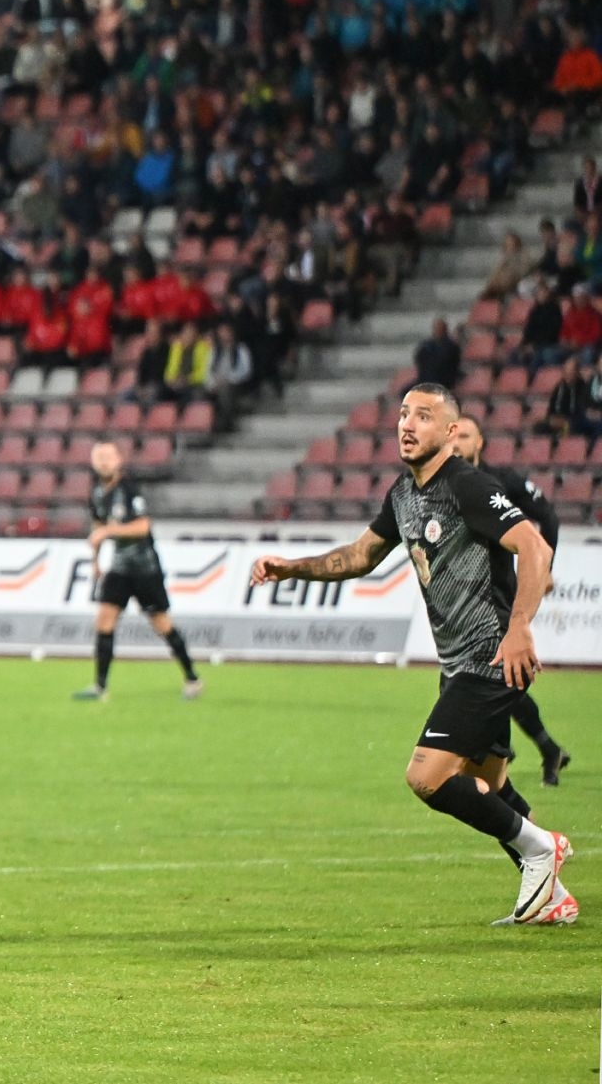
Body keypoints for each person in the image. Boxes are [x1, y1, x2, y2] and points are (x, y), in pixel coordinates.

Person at [249, 384, 572, 926]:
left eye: (424, 416)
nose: (408, 424)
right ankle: (553, 896)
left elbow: (534, 547)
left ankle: (542, 848)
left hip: (490, 656)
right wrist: (292, 567)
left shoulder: (468, 485)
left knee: (427, 776)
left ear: (451, 431)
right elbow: (360, 556)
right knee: (490, 784)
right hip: (458, 664)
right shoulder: (403, 493)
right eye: (403, 414)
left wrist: (519, 628)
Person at [453, 414, 573, 788]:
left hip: (500, 594)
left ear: (480, 443)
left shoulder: (502, 481)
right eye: (453, 434)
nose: (457, 442)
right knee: (494, 674)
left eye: (466, 435)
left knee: (497, 671)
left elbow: (547, 516)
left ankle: (498, 747)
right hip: (462, 597)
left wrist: (546, 567)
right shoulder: (444, 484)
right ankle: (530, 747)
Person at [73, 441, 202, 702]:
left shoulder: (129, 489)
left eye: (109, 456)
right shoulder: (96, 492)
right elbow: (98, 527)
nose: (104, 461)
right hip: (119, 568)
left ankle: (192, 678)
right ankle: (100, 687)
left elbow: (142, 527)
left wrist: (108, 531)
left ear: (119, 460)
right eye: (99, 457)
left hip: (145, 568)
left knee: (161, 623)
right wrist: (96, 561)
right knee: (104, 620)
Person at [411, 317, 462, 389]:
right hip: (425, 379)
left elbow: (452, 364)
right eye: (436, 328)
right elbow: (419, 358)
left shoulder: (451, 346)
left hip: (443, 380)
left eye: (440, 328)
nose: (438, 330)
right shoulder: (427, 345)